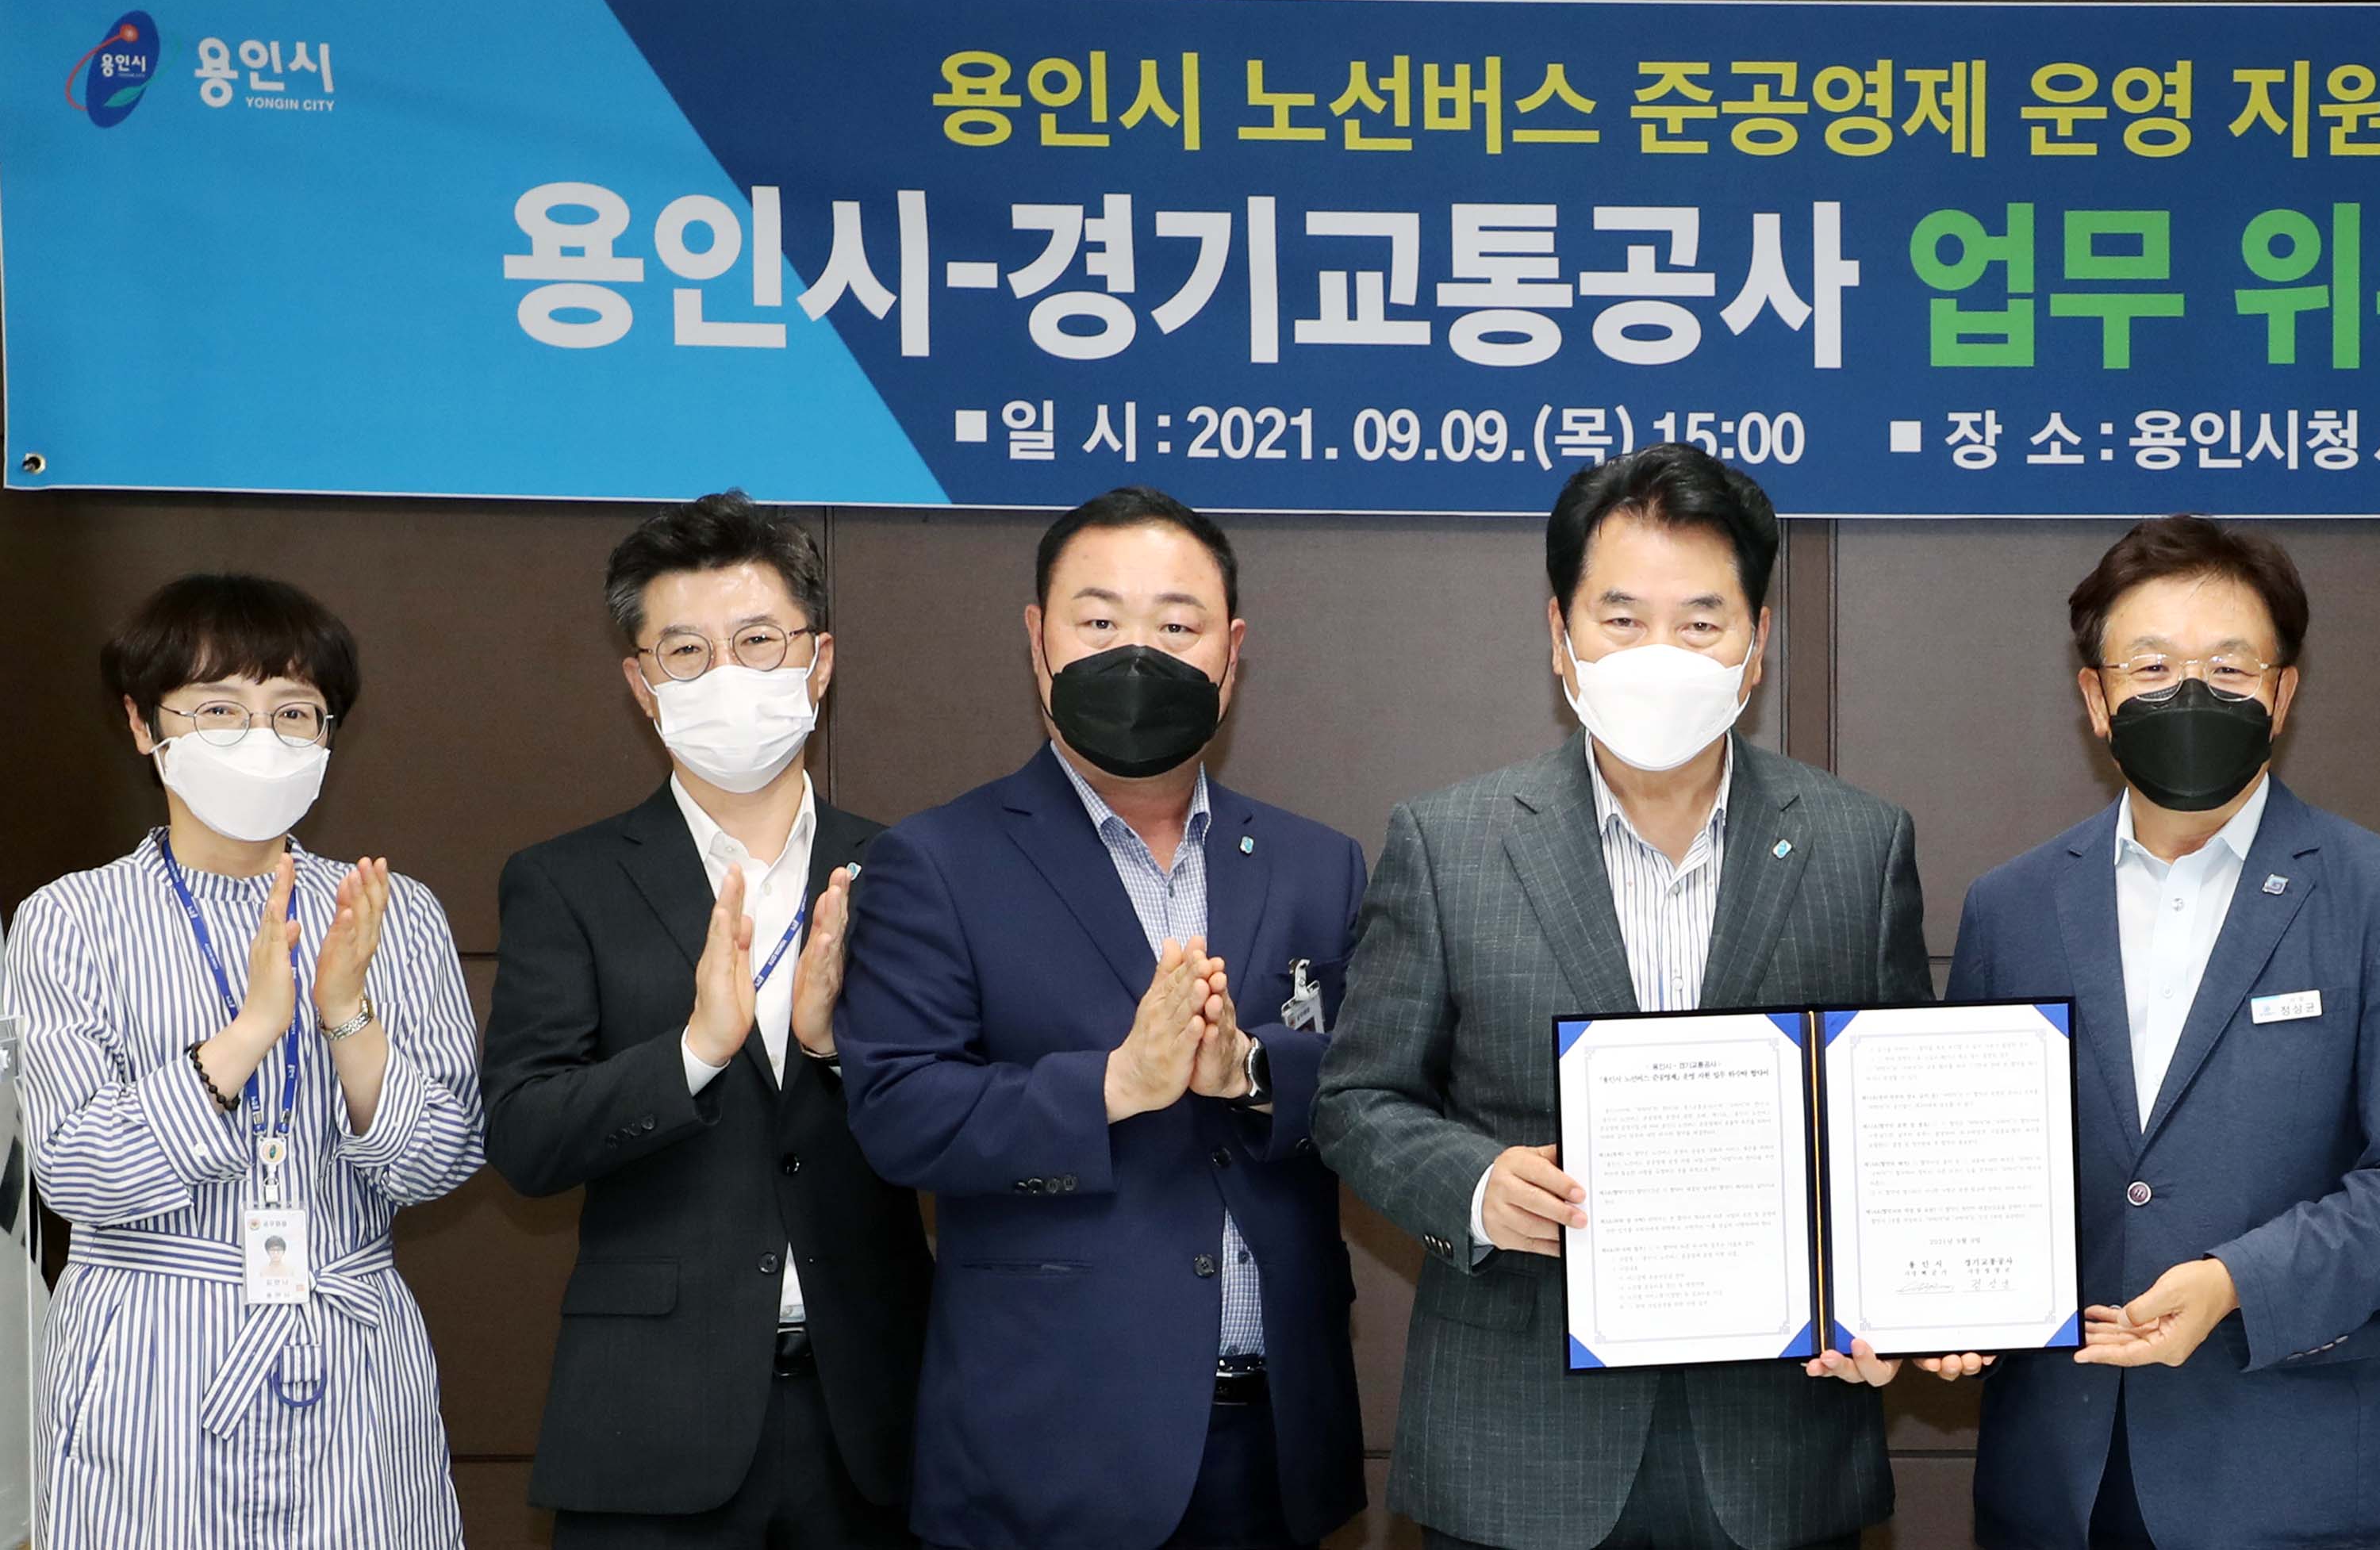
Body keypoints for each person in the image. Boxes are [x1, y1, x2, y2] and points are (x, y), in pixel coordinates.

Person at [1315, 442, 1925, 1550]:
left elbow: (1898, 1123)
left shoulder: (1858, 843)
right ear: (1560, 636)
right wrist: (1477, 1185)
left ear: (1756, 645)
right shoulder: (1449, 842)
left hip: (1778, 1447)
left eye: (1700, 622)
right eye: (1622, 618)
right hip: (1520, 1449)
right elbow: (1357, 1100)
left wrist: (1903, 1297)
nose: (1660, 655)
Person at [1917, 515, 2380, 1548]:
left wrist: (2235, 1282)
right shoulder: (2012, 906)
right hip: (2056, 1481)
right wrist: (1940, 1297)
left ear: (2283, 693)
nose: (2190, 694)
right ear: (2095, 697)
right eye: (2150, 666)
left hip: (2293, 1482)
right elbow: (1964, 1168)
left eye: (2228, 667)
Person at [835, 487, 1366, 1550]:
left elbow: (1369, 1086)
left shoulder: (1318, 861)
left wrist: (1252, 1071)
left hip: (1275, 1445)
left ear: (1230, 653)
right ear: (1038, 639)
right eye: (1099, 619)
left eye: (1175, 624)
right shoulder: (936, 861)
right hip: (1050, 1449)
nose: (1137, 654)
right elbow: (900, 1113)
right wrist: (1116, 1084)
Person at [2, 574, 487, 1545]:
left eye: (293, 711)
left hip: (349, 1353)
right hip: (149, 1360)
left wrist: (345, 1014)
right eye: (219, 708)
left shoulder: (391, 912)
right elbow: (77, 1170)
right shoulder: (70, 918)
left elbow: (440, 1159)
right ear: (143, 724)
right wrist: (249, 1031)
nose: (260, 737)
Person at [483, 493, 928, 1548]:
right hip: (651, 1421)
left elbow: (962, 1130)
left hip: (876, 1419)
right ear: (643, 685)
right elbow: (526, 1137)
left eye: (758, 641)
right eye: (686, 650)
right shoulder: (566, 880)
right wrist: (693, 1052)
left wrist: (831, 1049)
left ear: (818, 661)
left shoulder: (913, 871)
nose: (726, 673)